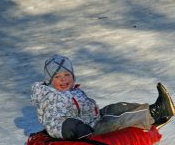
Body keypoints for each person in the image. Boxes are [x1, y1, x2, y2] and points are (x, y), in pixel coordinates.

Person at [31, 54, 175, 139]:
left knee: (118, 107)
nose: (64, 80)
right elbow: (52, 122)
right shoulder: (50, 98)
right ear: (50, 81)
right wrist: (73, 128)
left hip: (95, 118)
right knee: (117, 122)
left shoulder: (73, 91)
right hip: (88, 131)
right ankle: (157, 112)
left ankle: (151, 111)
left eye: (67, 75)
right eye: (58, 77)